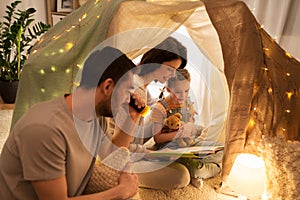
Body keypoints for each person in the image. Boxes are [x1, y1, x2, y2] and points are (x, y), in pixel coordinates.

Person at [0, 46, 140, 199]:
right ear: (107, 86)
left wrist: (132, 117)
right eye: (127, 91)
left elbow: (111, 158)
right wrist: (120, 192)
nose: (128, 99)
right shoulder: (45, 129)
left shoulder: (97, 117)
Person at [108, 37, 193, 190]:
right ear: (156, 60)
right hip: (118, 159)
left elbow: (156, 107)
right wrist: (149, 153)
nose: (172, 75)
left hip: (134, 149)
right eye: (169, 69)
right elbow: (119, 145)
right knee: (182, 175)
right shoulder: (133, 89)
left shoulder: (141, 85)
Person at [150, 68, 221, 188]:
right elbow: (157, 138)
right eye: (178, 92)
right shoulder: (160, 108)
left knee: (220, 150)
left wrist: (189, 125)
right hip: (171, 150)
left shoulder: (187, 101)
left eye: (186, 91)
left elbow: (191, 124)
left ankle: (205, 163)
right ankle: (212, 169)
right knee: (197, 169)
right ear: (168, 89)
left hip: (188, 143)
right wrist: (179, 134)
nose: (183, 96)